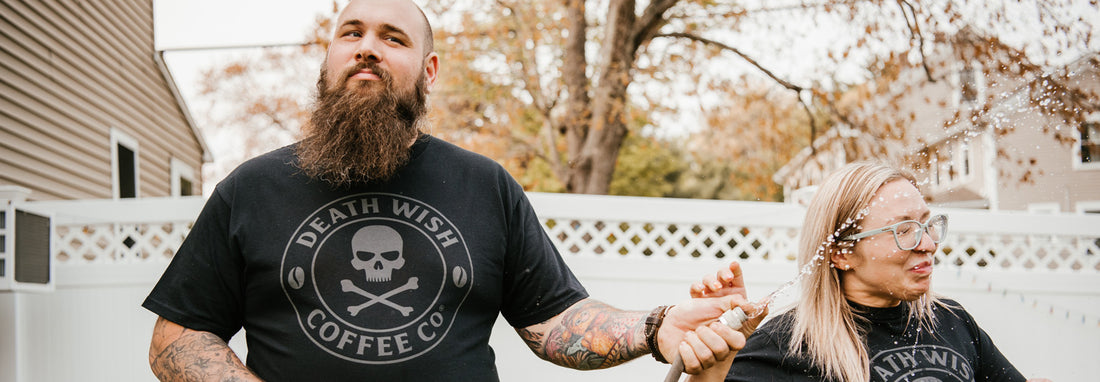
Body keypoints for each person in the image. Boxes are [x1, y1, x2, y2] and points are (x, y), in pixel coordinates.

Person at [142, 0, 757, 380]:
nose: (366, 49)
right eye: (350, 33)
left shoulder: (484, 186)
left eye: (393, 37)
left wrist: (657, 326)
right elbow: (177, 338)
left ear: (428, 71)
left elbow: (557, 323)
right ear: (327, 58)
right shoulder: (250, 189)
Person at [687, 162, 1050, 382]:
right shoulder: (788, 345)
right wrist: (710, 371)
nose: (927, 243)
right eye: (902, 230)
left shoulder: (953, 322)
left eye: (927, 223)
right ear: (842, 253)